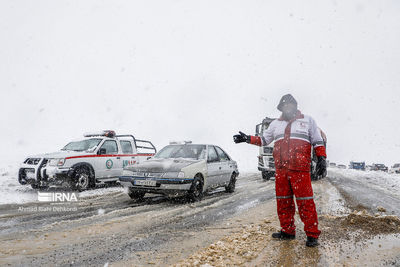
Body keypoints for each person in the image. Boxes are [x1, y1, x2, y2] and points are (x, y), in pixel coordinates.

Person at [233, 94, 327, 247]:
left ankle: (312, 235)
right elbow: (264, 140)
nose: (288, 107)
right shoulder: (275, 124)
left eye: (290, 104)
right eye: (285, 105)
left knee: (305, 203)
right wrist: (247, 139)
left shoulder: (308, 120)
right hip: (281, 170)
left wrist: (321, 157)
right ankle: (287, 231)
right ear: (281, 108)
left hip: (300, 170)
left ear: (295, 106)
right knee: (283, 202)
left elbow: (317, 141)